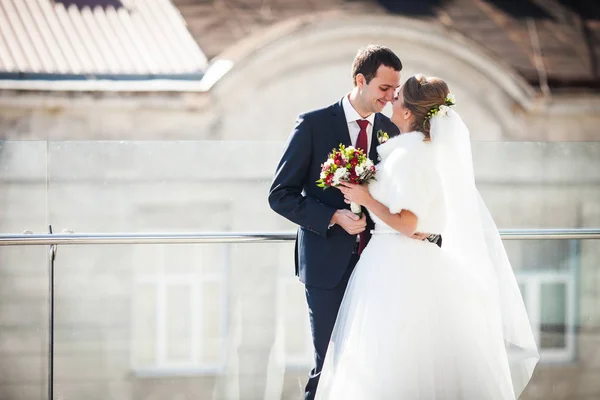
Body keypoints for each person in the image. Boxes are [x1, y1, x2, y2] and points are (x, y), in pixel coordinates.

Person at [314, 74, 539, 399]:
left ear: (408, 113)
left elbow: (408, 223)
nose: (392, 99)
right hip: (400, 258)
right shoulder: (415, 152)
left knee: (393, 359)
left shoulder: (412, 157)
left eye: (399, 96)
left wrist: (366, 199)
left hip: (399, 265)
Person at [268, 45, 415, 400]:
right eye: (384, 89)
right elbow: (280, 195)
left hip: (379, 267)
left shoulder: (390, 131)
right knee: (329, 363)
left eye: (395, 91)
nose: (391, 97)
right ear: (360, 80)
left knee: (372, 365)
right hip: (325, 267)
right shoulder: (314, 124)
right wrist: (333, 216)